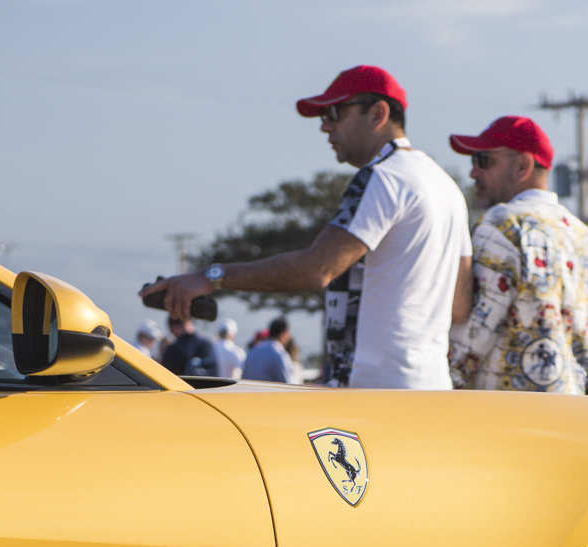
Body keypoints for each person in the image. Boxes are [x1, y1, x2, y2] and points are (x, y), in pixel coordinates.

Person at [141, 66, 470, 390]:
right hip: (434, 388)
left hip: (378, 391)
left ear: (378, 114)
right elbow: (460, 306)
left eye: (334, 112)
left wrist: (210, 277)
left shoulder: (383, 177)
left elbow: (318, 269)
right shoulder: (448, 187)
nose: (324, 126)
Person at [447, 115, 588, 395]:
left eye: (483, 160)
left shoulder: (503, 226)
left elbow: (465, 345)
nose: (473, 173)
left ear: (522, 165)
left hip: (506, 423)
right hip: (571, 423)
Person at [244, 316, 300, 383]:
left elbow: (244, 378)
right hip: (273, 393)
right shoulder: (280, 354)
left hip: (251, 392)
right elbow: (289, 385)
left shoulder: (252, 351)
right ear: (283, 334)